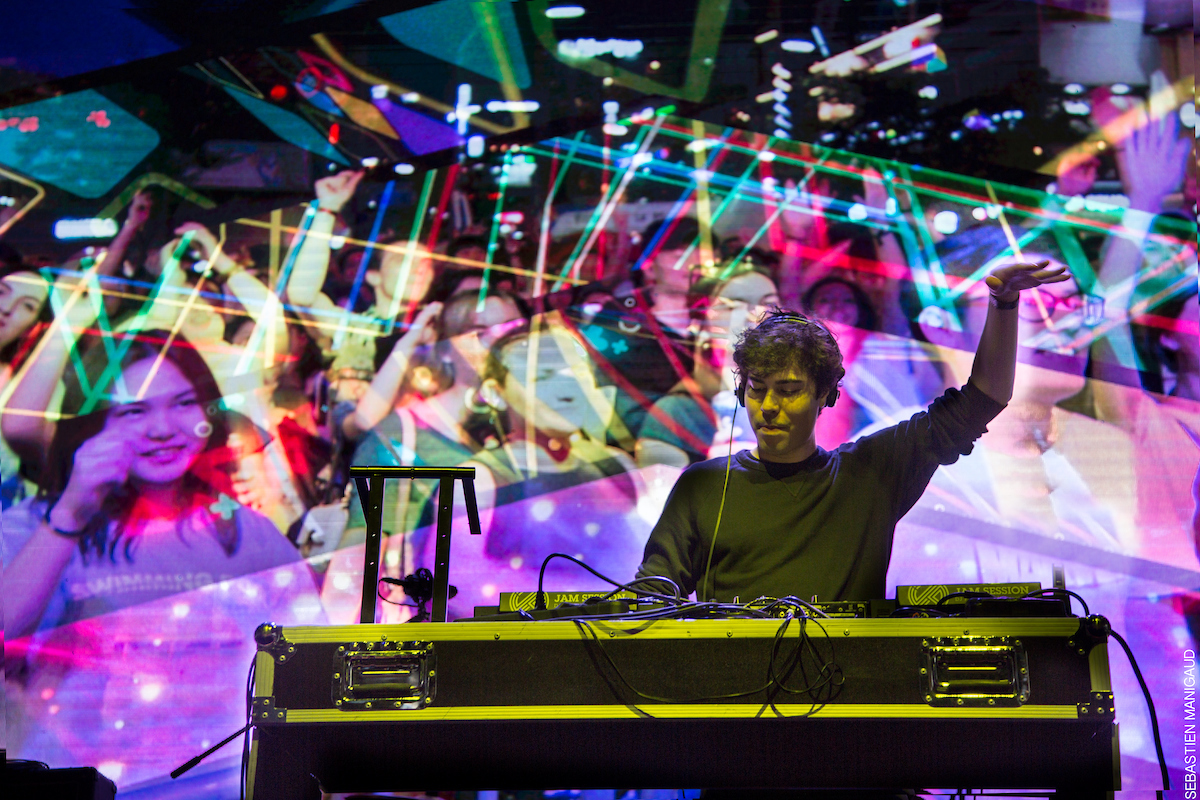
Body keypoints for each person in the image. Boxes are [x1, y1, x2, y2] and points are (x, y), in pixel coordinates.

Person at [635, 259, 1067, 603]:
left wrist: (1003, 306)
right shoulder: (703, 486)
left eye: (788, 391)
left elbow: (985, 397)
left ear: (825, 395)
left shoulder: (872, 472)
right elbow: (649, 599)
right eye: (757, 389)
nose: (768, 407)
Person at [3, 330, 310, 639]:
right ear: (92, 424)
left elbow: (307, 645)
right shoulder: (31, 525)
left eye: (183, 403)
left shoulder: (249, 531)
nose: (162, 429)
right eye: (134, 411)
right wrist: (70, 515)